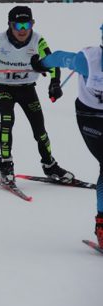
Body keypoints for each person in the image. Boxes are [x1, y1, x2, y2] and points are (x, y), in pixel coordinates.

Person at [0, 5, 74, 185]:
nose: (23, 30)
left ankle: (49, 165)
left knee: (40, 130)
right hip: (5, 89)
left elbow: (53, 63)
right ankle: (6, 165)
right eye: (18, 26)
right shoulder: (0, 40)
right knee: (6, 123)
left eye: (27, 25)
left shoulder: (38, 40)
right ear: (10, 25)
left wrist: (55, 83)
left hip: (27, 90)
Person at [39, 23, 103, 247]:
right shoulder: (88, 60)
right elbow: (58, 57)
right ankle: (102, 225)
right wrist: (40, 64)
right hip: (90, 117)